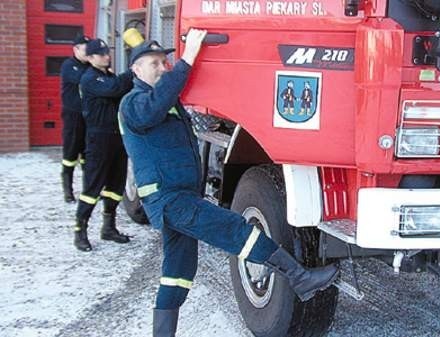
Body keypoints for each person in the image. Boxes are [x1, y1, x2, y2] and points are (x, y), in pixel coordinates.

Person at [119, 29, 338, 336]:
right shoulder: (133, 103)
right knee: (236, 230)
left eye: (162, 61)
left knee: (178, 274)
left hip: (178, 197)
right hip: (170, 200)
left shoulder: (163, 99)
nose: (161, 67)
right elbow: (153, 108)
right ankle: (298, 277)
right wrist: (187, 59)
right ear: (136, 69)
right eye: (153, 63)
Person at [73, 38, 133, 252]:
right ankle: (80, 230)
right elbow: (116, 88)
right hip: (98, 140)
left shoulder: (107, 76)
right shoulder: (90, 78)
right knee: (93, 187)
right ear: (90, 58)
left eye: (107, 52)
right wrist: (135, 68)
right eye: (101, 54)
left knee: (116, 187)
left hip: (116, 138)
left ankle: (108, 228)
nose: (107, 56)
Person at [60, 35, 91, 203]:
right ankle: (68, 191)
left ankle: (89, 189)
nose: (88, 54)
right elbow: (84, 80)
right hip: (73, 117)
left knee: (89, 155)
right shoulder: (69, 66)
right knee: (70, 155)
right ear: (76, 49)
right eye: (85, 50)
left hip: (88, 116)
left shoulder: (90, 67)